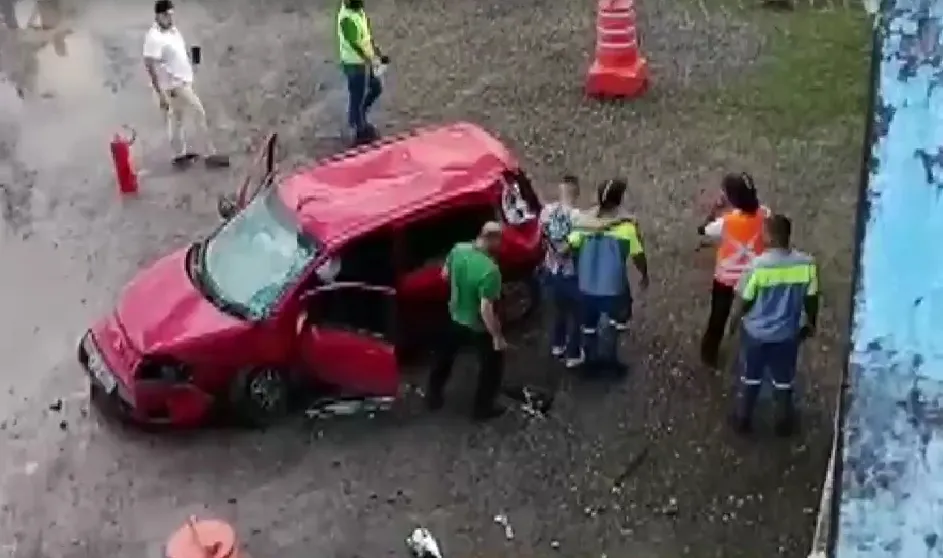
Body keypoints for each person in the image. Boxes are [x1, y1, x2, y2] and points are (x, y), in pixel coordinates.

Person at [727, 214, 819, 436]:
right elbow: (812, 298)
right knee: (783, 380)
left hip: (756, 334)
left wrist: (733, 322)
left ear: (768, 236)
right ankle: (783, 422)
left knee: (751, 376)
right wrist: (811, 323)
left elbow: (745, 301)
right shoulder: (807, 265)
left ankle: (743, 420)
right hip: (787, 335)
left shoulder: (757, 266)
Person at [426, 222, 507, 421]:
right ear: (492, 239)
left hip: (454, 316)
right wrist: (497, 336)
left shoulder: (458, 250)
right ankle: (482, 409)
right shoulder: (490, 271)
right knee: (491, 366)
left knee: (443, 358)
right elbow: (485, 309)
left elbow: (444, 275)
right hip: (477, 326)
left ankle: (432, 396)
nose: (501, 244)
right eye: (500, 240)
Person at [568, 179, 650, 374]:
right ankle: (611, 361)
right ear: (619, 200)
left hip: (586, 285)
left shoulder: (582, 224)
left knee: (588, 325)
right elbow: (638, 255)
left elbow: (573, 248)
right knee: (614, 323)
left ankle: (590, 361)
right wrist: (644, 274)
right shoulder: (627, 228)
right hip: (613, 288)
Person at [697, 172, 769, 369]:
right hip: (755, 274)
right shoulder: (765, 214)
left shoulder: (726, 222)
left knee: (718, 316)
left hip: (726, 277)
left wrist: (715, 209)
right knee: (755, 312)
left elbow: (703, 230)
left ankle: (709, 353)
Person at [143, 0, 219, 166]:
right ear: (158, 15)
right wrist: (159, 93)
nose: (169, 18)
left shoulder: (172, 30)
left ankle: (179, 155)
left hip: (182, 81)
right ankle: (209, 153)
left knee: (176, 119)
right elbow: (149, 65)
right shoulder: (154, 38)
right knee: (199, 112)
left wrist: (189, 59)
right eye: (166, 15)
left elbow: (176, 53)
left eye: (171, 15)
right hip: (174, 86)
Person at [538, 175, 584, 368]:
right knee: (578, 315)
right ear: (577, 193)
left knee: (559, 311)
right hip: (572, 275)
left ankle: (558, 344)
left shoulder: (547, 212)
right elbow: (578, 247)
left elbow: (541, 236)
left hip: (552, 271)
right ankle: (573, 354)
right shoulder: (578, 218)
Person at [337, 0, 388, 146]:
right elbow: (356, 45)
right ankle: (360, 131)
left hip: (365, 61)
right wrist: (373, 59)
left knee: (375, 88)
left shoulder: (357, 10)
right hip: (355, 65)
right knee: (357, 97)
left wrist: (375, 52)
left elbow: (364, 36)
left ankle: (358, 119)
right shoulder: (347, 18)